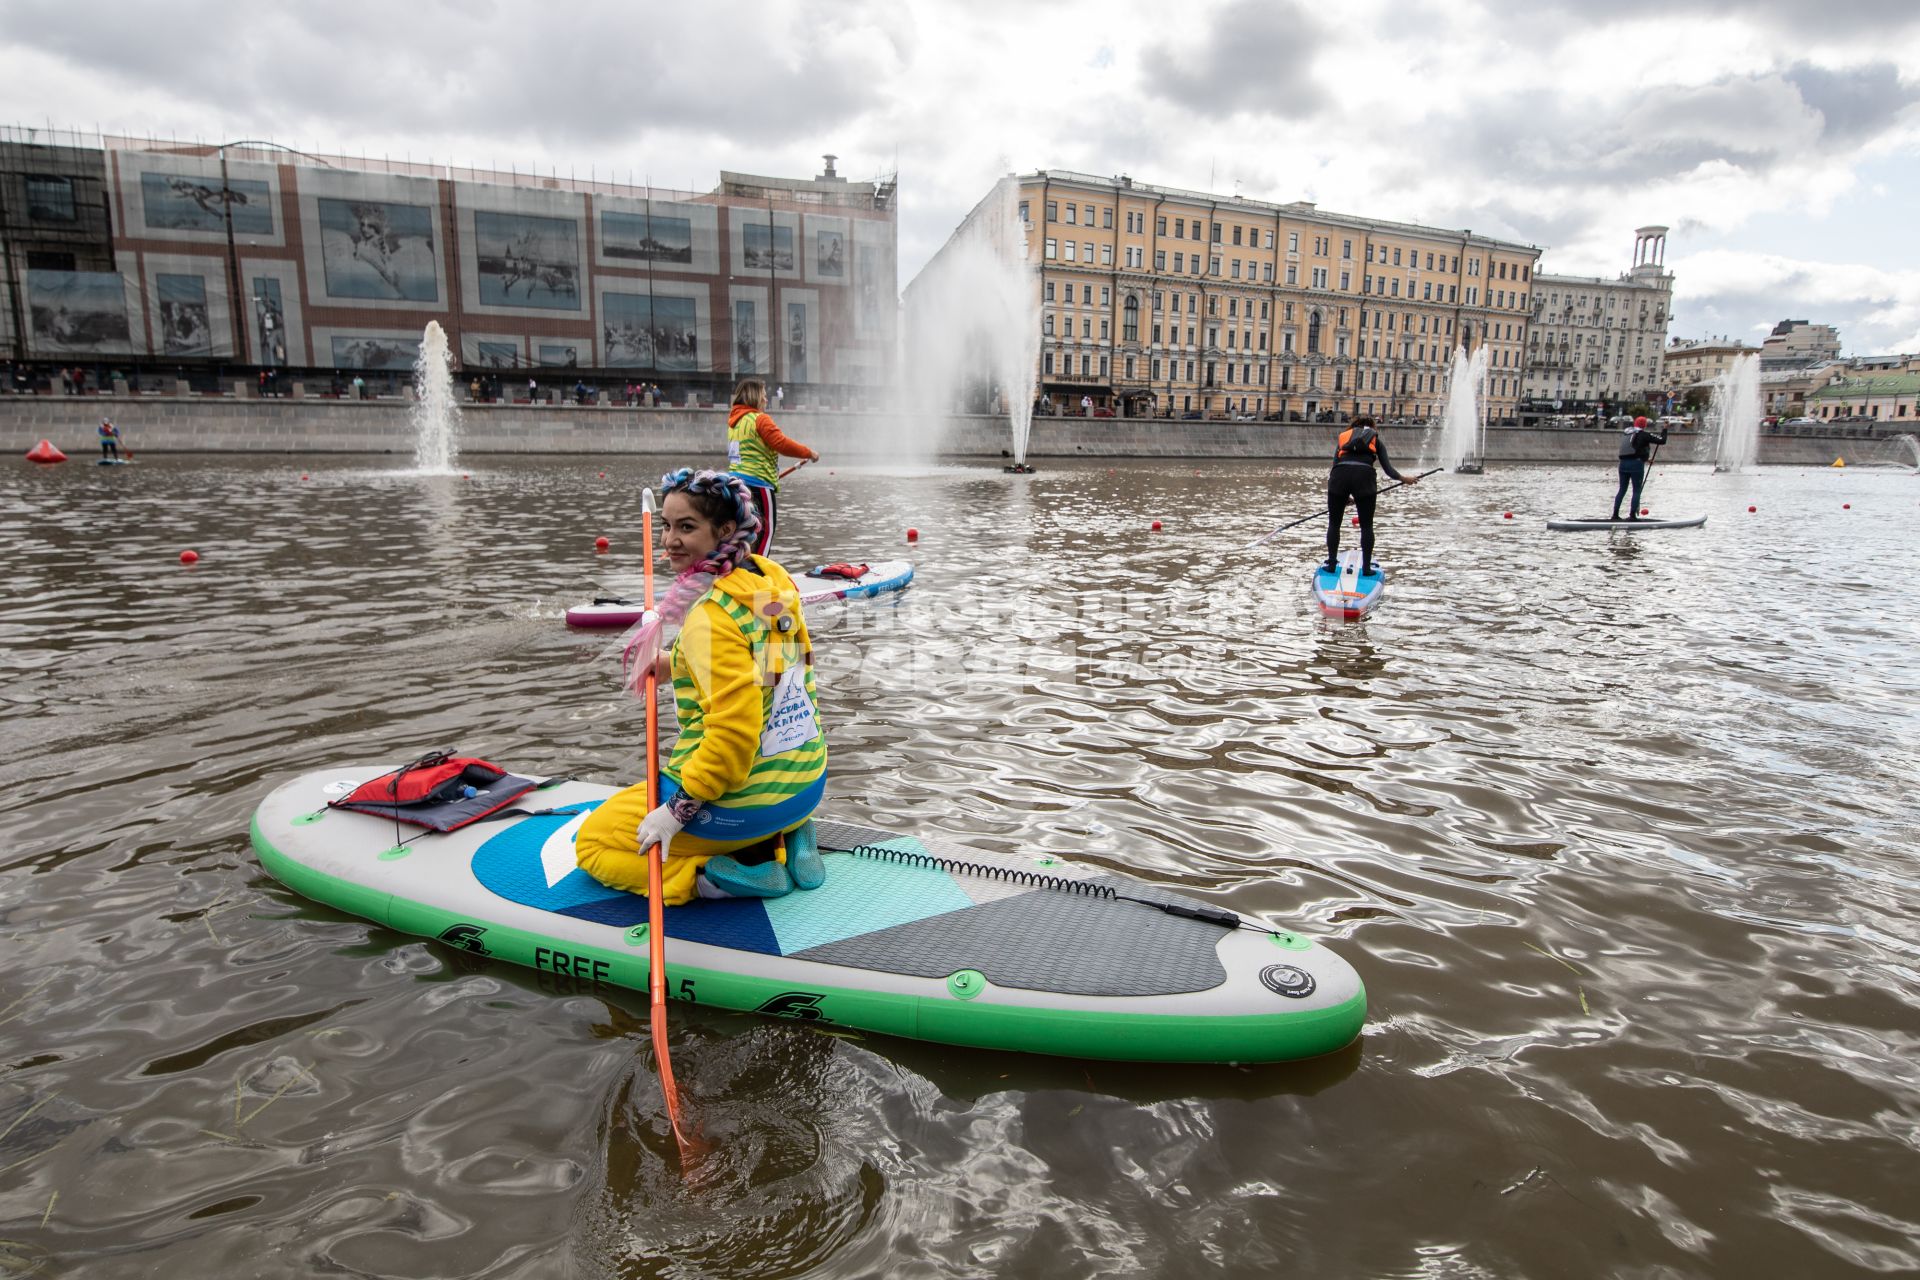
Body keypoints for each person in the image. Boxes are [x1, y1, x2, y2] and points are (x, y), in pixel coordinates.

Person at [574, 468, 827, 902]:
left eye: (686, 527)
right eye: (667, 525)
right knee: (763, 783)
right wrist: (674, 664)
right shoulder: (772, 581)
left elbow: (733, 736)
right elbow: (773, 669)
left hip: (747, 805)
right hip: (806, 783)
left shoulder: (708, 618)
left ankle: (707, 879)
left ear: (725, 530)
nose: (669, 540)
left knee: (593, 843)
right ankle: (793, 834)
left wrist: (676, 813)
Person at [724, 377, 819, 557]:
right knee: (765, 532)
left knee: (742, 533)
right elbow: (781, 444)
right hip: (758, 485)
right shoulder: (760, 419)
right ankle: (759, 573)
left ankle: (739, 571)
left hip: (736, 485)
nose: (766, 400)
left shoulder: (734, 422)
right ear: (755, 397)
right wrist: (809, 453)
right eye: (764, 395)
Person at [1324, 415, 1416, 574]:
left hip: (1339, 477)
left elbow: (1335, 465)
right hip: (1364, 478)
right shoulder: (1376, 441)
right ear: (1372, 428)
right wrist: (1404, 479)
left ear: (1353, 427)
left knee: (1334, 523)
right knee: (1366, 526)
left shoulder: (1344, 439)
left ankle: (1332, 565)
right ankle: (1366, 569)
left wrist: (1344, 496)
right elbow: (1388, 469)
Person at [1612, 415, 1669, 520]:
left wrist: (1646, 459)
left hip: (1623, 464)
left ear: (1635, 423)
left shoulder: (1627, 433)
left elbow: (1634, 449)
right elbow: (1662, 440)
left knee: (1622, 490)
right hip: (1636, 465)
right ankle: (1632, 516)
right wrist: (1665, 429)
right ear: (1644, 425)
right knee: (1636, 490)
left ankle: (1615, 515)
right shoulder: (1644, 434)